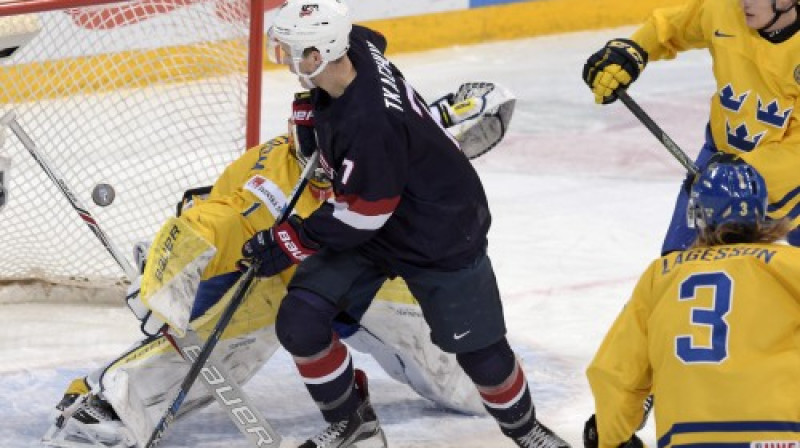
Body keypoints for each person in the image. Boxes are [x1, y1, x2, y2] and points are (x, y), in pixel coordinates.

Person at [42, 81, 516, 448]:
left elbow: (442, 134)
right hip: (277, 281)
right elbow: (217, 222)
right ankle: (109, 399)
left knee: (470, 391)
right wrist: (166, 277)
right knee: (227, 341)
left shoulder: (382, 141)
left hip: (377, 275)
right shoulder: (272, 177)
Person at [243, 1, 570, 447]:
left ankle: (526, 430)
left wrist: (290, 240)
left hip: (439, 229)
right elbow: (372, 40)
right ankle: (352, 421)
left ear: (319, 55)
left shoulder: (370, 123)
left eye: (291, 50)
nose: (283, 58)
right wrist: (311, 107)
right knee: (301, 323)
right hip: (377, 214)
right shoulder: (352, 46)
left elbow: (362, 215)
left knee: (481, 355)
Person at [582, 160, 800, 448]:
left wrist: (613, 440)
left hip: (687, 439)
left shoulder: (661, 275)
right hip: (781, 435)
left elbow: (614, 374)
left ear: (697, 215)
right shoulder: (790, 264)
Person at [582, 0, 800, 254]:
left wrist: (743, 174)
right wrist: (634, 49)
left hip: (785, 174)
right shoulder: (724, 9)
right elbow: (670, 26)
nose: (744, 2)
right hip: (719, 160)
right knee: (677, 262)